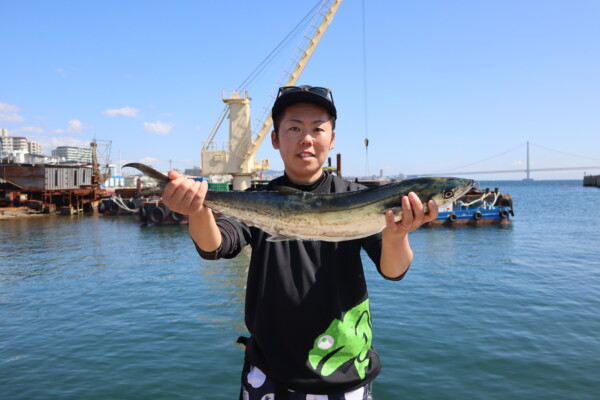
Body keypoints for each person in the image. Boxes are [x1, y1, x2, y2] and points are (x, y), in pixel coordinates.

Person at [161, 85, 438, 399]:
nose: (306, 138)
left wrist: (397, 234)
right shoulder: (256, 199)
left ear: (332, 139)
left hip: (345, 372)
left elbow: (393, 270)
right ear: (276, 139)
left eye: (317, 129)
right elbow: (215, 245)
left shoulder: (359, 198)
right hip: (269, 373)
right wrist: (197, 211)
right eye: (294, 128)